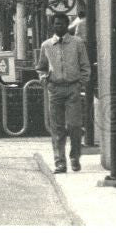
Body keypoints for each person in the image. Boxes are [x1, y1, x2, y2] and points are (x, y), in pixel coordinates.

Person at [36, 13, 91, 174]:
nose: (58, 26)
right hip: (55, 89)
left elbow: (85, 66)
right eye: (56, 24)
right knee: (57, 128)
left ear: (67, 25)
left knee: (74, 125)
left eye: (61, 24)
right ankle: (60, 162)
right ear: (52, 26)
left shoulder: (77, 43)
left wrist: (80, 83)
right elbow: (41, 67)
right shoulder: (46, 45)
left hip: (73, 88)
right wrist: (45, 79)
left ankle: (75, 157)